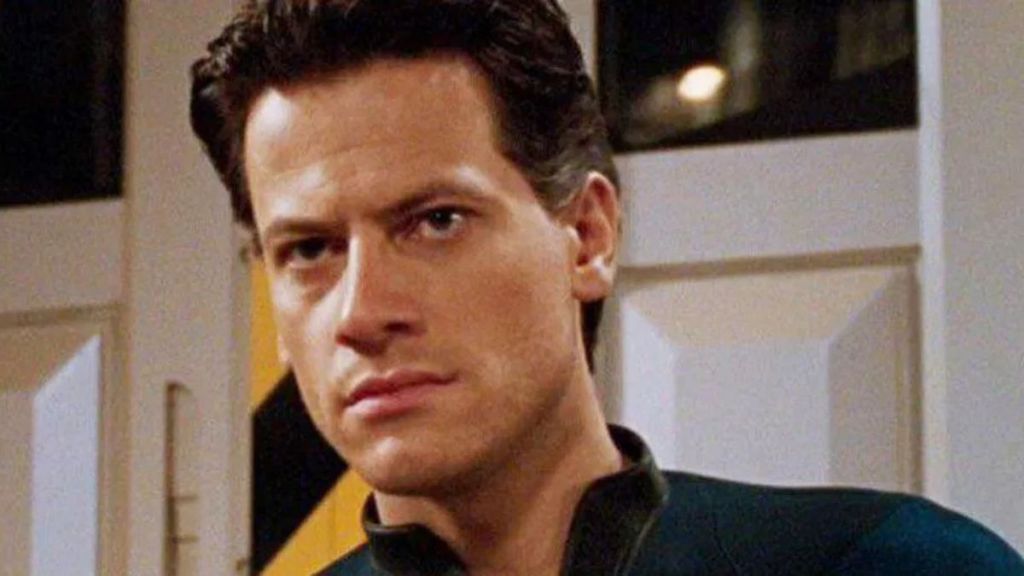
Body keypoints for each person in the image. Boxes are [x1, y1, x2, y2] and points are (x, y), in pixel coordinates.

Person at [190, 1, 1024, 574]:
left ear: (587, 236)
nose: (363, 312)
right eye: (309, 249)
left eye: (436, 221)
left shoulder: (887, 564)